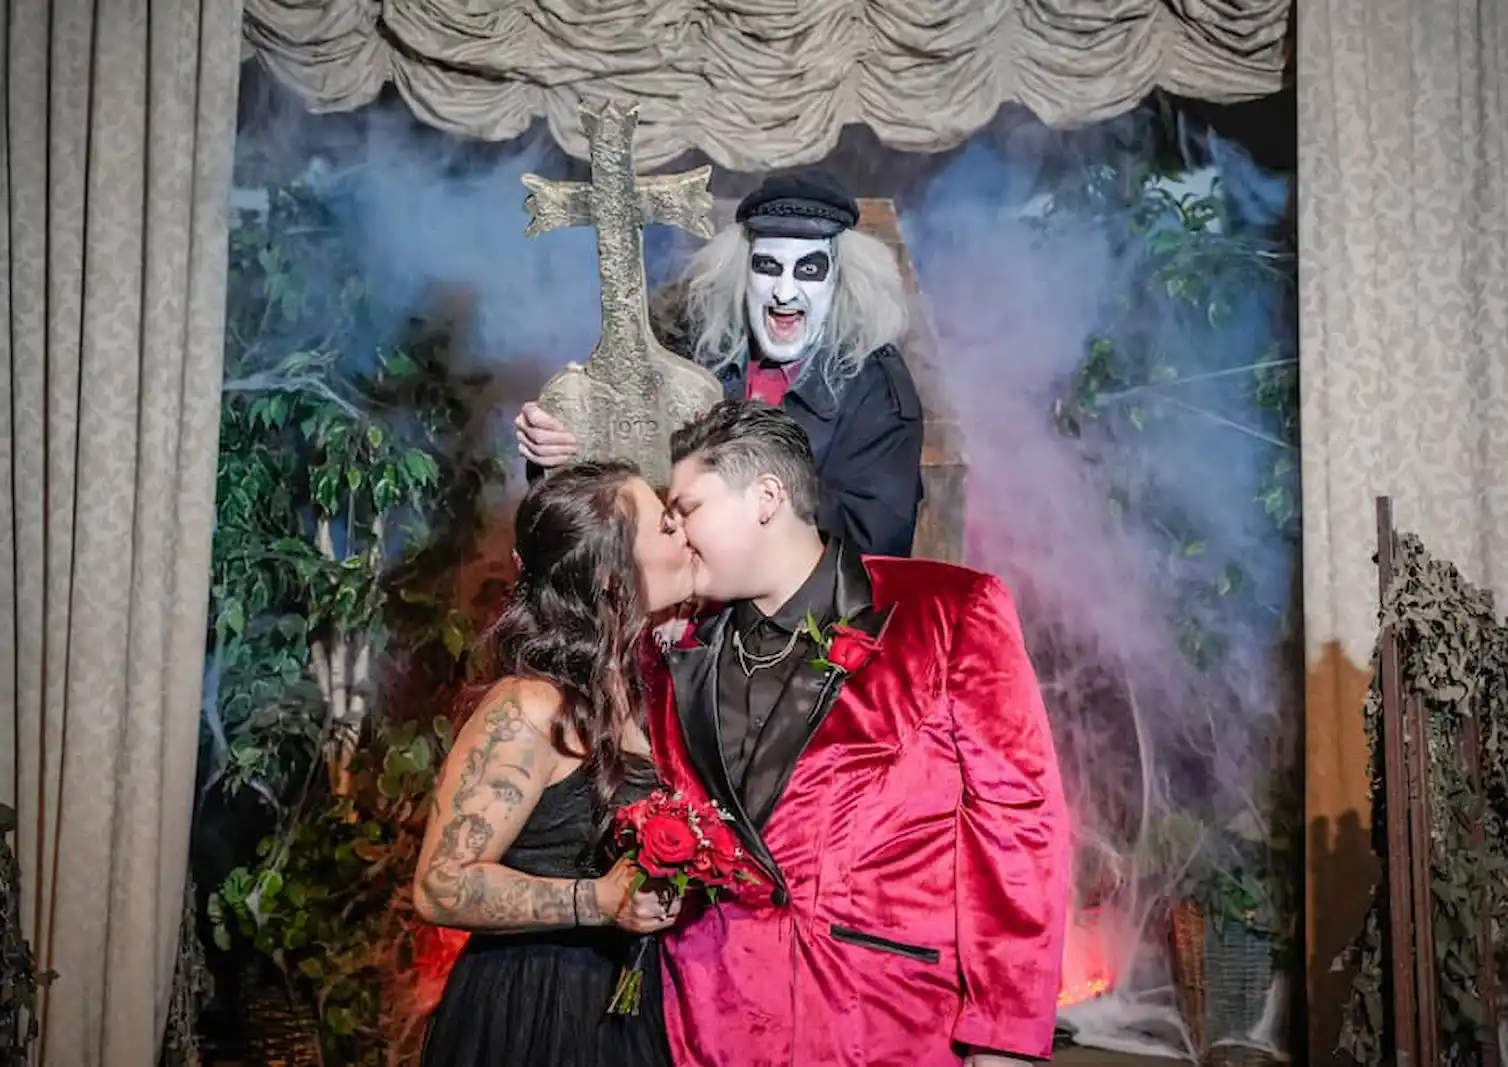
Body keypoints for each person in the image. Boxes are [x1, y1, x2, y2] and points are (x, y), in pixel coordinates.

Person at [651, 401, 1071, 1067]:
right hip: (704, 1028)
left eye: (686, 508)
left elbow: (1019, 826)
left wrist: (1004, 1037)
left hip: (884, 1025)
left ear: (765, 497)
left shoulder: (948, 611)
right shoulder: (673, 653)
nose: (672, 532)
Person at [412, 461, 694, 1067]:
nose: (686, 535)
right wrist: (598, 901)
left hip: (622, 1005)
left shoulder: (640, 690)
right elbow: (440, 886)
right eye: (666, 528)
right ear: (614, 581)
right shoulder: (529, 707)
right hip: (531, 1009)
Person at [517, 170, 926, 557]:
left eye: (809, 270)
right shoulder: (686, 348)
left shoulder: (877, 388)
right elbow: (617, 480)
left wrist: (752, 488)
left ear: (840, 282)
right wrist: (558, 450)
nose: (785, 292)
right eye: (767, 267)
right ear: (740, 273)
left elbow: (875, 546)